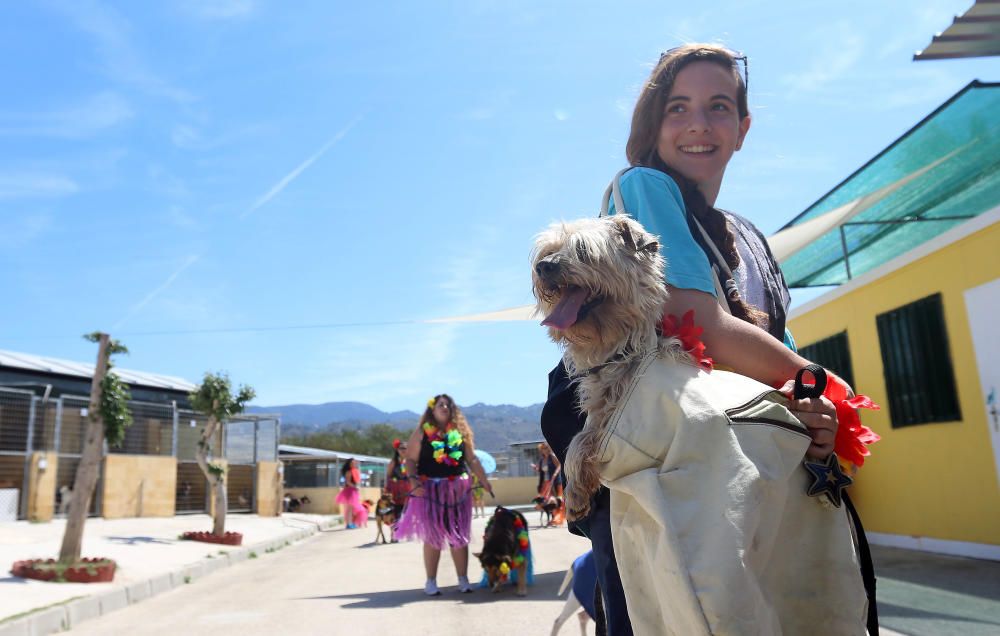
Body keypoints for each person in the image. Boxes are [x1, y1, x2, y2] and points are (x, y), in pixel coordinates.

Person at [541, 44, 877, 635]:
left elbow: (766, 349)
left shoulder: (749, 238)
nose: (698, 123)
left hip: (732, 454)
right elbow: (703, 326)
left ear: (743, 128)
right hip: (665, 445)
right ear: (652, 124)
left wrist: (813, 414)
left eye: (719, 106)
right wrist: (830, 388)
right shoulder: (645, 185)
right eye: (677, 108)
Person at [395, 393, 495, 595]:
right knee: (432, 537)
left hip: (457, 489)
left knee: (458, 535)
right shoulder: (422, 432)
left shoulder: (459, 432)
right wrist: (414, 481)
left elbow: (472, 460)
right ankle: (431, 582)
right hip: (430, 490)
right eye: (441, 405)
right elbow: (411, 460)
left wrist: (484, 481)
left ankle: (463, 580)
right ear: (432, 409)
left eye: (448, 405)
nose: (445, 407)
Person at [384, 439, 412, 541]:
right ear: (397, 450)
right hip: (396, 490)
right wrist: (387, 490)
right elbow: (388, 476)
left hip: (408, 490)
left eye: (406, 448)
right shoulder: (393, 462)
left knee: (408, 512)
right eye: (401, 448)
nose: (404, 450)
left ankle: (408, 533)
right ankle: (394, 535)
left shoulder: (410, 461)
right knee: (396, 513)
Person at [335, 457, 364, 530]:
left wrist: (356, 487)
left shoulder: (354, 471)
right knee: (349, 508)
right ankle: (349, 524)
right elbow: (348, 482)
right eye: (352, 463)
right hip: (350, 491)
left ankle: (351, 523)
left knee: (352, 508)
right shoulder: (349, 471)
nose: (354, 464)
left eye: (355, 463)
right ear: (349, 464)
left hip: (353, 490)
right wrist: (355, 487)